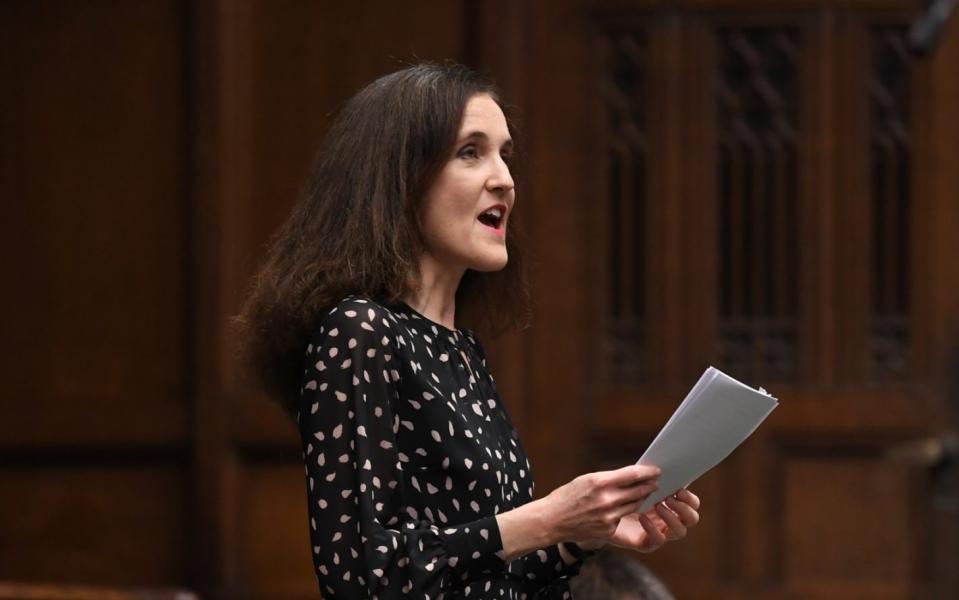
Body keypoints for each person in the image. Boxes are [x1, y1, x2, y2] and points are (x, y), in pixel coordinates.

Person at [236, 62, 700, 599]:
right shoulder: (358, 331)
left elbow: (487, 577)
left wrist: (579, 537)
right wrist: (548, 518)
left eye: (505, 153)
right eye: (470, 152)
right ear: (400, 179)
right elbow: (361, 577)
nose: (504, 177)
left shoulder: (462, 349)